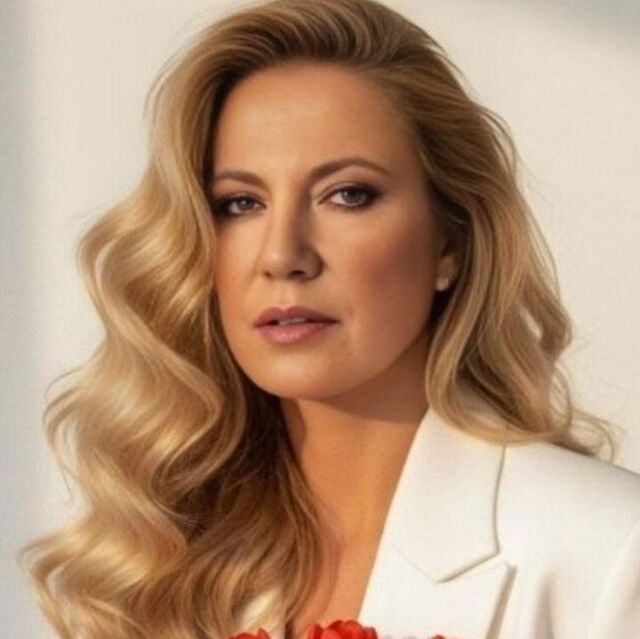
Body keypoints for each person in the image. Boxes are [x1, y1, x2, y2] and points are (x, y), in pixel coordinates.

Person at [18, 0, 640, 638]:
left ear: (450, 241)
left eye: (347, 194)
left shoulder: (613, 553)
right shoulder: (158, 566)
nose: (282, 255)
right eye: (240, 203)